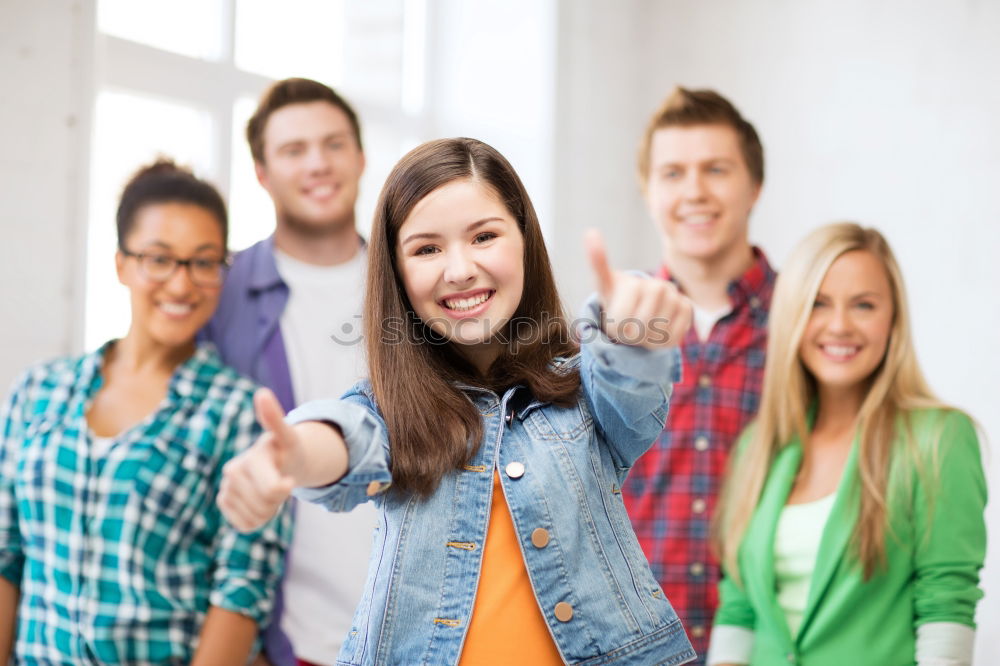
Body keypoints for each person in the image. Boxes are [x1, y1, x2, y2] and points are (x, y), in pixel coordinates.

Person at [217, 137, 698, 665]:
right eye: (427, 249)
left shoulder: (583, 390)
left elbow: (631, 387)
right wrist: (291, 457)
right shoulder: (392, 410)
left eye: (484, 236)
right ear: (397, 275)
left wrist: (634, 334)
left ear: (524, 240)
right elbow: (345, 438)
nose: (460, 269)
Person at [0, 160, 289, 664]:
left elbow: (241, 591)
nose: (181, 285)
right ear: (122, 264)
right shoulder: (38, 391)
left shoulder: (240, 413)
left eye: (203, 262)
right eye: (159, 258)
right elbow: (5, 556)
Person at [707, 223, 986, 665]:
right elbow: (738, 608)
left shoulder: (939, 438)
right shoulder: (757, 449)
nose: (839, 325)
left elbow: (945, 604)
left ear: (893, 318)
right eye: (818, 303)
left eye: (864, 305)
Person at [201, 78, 374, 666]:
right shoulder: (219, 296)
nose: (319, 164)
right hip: (283, 639)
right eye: (294, 150)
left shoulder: (416, 286)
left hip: (419, 627)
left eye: (333, 144)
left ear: (360, 156)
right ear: (262, 172)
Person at [622, 86, 776, 661]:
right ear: (648, 190)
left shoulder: (810, 326)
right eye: (673, 172)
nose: (695, 192)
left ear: (754, 185)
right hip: (634, 643)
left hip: (776, 640)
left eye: (716, 169)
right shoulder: (612, 327)